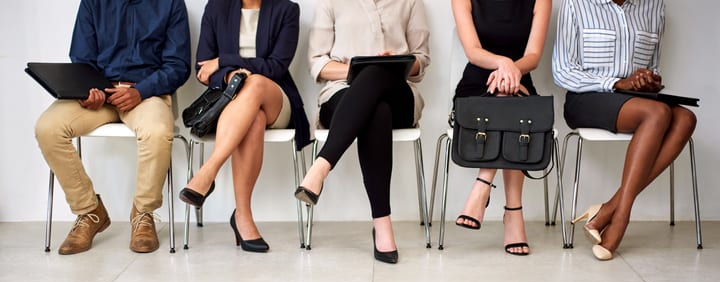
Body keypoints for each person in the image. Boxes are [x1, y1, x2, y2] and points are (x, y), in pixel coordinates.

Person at [35, 0, 191, 255]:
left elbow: (177, 65)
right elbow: (82, 59)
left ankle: (143, 214)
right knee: (48, 127)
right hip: (99, 94)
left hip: (147, 93)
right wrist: (89, 90)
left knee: (157, 131)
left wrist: (140, 91)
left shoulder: (171, 3)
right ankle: (90, 213)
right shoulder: (93, 2)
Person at [553, 0, 696, 261]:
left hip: (634, 100)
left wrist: (649, 80)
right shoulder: (576, 4)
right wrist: (616, 82)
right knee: (658, 113)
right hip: (587, 98)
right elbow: (562, 72)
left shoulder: (654, 6)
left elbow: (654, 66)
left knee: (685, 118)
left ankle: (609, 209)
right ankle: (621, 219)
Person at [294, 0, 430, 264]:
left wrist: (394, 65)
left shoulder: (411, 2)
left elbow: (421, 60)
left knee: (378, 78)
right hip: (341, 94)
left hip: (399, 93)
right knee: (376, 110)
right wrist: (360, 70)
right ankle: (383, 225)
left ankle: (321, 166)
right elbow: (318, 65)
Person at [178, 0, 310, 253]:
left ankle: (208, 171)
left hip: (275, 100)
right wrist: (229, 76)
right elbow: (203, 68)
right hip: (233, 102)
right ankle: (243, 217)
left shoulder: (287, 10)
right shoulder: (216, 7)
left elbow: (276, 67)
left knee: (257, 83)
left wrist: (225, 61)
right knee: (254, 119)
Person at [451, 0, 551, 256]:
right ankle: (513, 213)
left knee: (511, 102)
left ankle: (483, 183)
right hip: (476, 86)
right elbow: (473, 51)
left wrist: (511, 70)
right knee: (512, 108)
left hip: (521, 82)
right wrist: (503, 64)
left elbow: (534, 56)